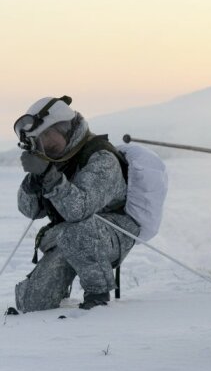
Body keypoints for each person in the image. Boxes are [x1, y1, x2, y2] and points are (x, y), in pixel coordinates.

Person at [12, 96, 139, 312]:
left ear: (64, 128)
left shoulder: (101, 158)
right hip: (68, 235)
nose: (44, 146)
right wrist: (33, 182)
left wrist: (48, 176)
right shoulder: (55, 161)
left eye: (46, 137)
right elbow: (30, 211)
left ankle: (98, 296)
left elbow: (78, 210)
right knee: (33, 304)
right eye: (38, 141)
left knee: (78, 230)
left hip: (112, 233)